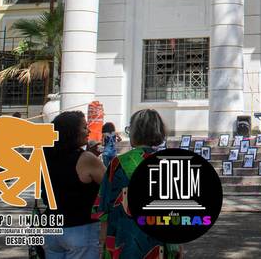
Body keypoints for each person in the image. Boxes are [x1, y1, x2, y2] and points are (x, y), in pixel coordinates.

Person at [95, 109, 181, 258]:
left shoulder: (117, 164)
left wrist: (103, 243)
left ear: (134, 131)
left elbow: (104, 210)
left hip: (122, 243)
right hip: (156, 244)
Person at [43, 111, 105, 259]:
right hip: (80, 228)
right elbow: (110, 184)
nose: (88, 131)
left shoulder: (44, 155)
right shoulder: (86, 159)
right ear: (72, 132)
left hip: (51, 229)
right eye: (84, 127)